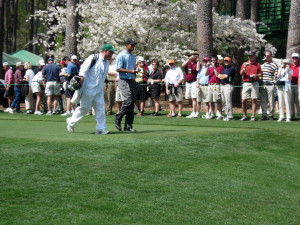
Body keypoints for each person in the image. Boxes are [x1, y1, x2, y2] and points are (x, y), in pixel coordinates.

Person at [66, 43, 117, 134]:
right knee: (84, 108)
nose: (112, 54)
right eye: (111, 52)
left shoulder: (106, 62)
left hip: (99, 89)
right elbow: (83, 68)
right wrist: (81, 77)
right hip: (88, 88)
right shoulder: (94, 58)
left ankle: (101, 129)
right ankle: (71, 121)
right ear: (106, 51)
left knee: (100, 109)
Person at [114, 38, 138, 132]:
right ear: (126, 45)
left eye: (134, 45)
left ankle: (128, 126)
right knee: (128, 101)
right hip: (123, 80)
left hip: (131, 80)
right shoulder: (121, 55)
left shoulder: (133, 56)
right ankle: (118, 117)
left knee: (131, 104)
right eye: (131, 45)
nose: (133, 47)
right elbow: (118, 68)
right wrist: (130, 71)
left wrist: (134, 72)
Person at [240, 51, 262, 121]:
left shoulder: (257, 64)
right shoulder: (244, 64)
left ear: (254, 56)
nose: (250, 57)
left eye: (251, 56)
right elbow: (241, 73)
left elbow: (260, 74)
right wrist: (244, 68)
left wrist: (256, 75)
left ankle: (253, 116)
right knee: (243, 100)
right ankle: (244, 115)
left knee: (254, 99)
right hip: (246, 83)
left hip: (255, 82)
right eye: (249, 56)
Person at [213, 57, 235, 121]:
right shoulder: (224, 69)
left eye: (227, 61)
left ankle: (230, 116)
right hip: (222, 86)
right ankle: (227, 114)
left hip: (228, 86)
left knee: (228, 101)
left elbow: (225, 76)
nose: (226, 62)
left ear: (230, 61)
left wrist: (221, 76)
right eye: (225, 61)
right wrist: (214, 68)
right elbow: (217, 75)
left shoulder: (232, 68)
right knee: (224, 102)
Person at [259, 51, 278, 120]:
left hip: (270, 85)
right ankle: (264, 115)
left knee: (271, 100)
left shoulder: (274, 65)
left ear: (271, 56)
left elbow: (276, 75)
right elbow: (260, 74)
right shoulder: (263, 65)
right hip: (263, 85)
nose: (267, 57)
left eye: (268, 56)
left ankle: (271, 115)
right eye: (266, 56)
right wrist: (260, 81)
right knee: (263, 100)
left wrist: (274, 83)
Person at [182, 52, 200, 118]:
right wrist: (189, 59)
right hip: (187, 82)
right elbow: (183, 65)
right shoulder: (188, 63)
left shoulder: (197, 63)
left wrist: (197, 60)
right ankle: (194, 111)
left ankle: (194, 112)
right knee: (188, 97)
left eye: (195, 56)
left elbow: (198, 69)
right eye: (192, 56)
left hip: (194, 82)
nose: (193, 57)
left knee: (194, 98)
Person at [290, 53, 300, 119]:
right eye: (293, 58)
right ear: (292, 58)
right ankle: (292, 115)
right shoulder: (289, 66)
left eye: (296, 58)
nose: (295, 59)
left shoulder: (299, 66)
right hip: (290, 85)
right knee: (291, 101)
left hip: (298, 85)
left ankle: (299, 115)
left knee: (298, 101)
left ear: (298, 58)